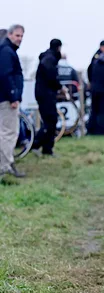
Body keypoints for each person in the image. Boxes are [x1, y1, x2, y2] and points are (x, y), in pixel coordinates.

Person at [32, 39, 66, 157]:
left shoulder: (47, 57)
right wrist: (59, 86)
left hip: (44, 92)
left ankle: (47, 148)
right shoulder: (50, 59)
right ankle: (36, 144)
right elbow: (51, 76)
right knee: (50, 121)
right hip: (46, 93)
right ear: (59, 48)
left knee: (50, 120)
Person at [0, 24, 25, 178]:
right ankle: (5, 166)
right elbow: (5, 75)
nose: (20, 39)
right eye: (17, 35)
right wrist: (13, 96)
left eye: (21, 36)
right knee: (9, 132)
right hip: (7, 99)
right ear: (9, 35)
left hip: (5, 97)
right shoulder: (7, 52)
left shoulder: (6, 51)